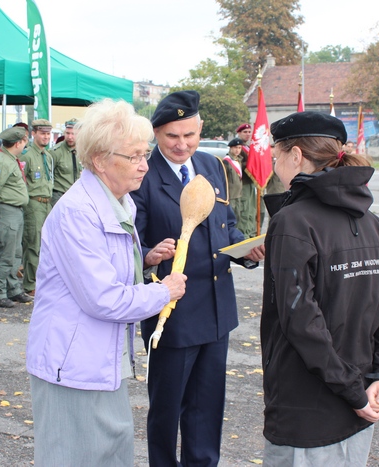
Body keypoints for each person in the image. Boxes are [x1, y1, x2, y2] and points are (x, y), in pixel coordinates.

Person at [26, 99, 187, 466]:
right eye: (133, 156)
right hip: (74, 367)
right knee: (74, 457)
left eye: (145, 154)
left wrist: (144, 260)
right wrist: (164, 291)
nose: (144, 165)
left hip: (101, 362)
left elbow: (105, 271)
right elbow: (103, 298)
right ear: (99, 160)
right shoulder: (77, 212)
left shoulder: (119, 202)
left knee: (109, 453)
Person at [261, 111, 379, 466]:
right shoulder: (374, 223)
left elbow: (301, 323)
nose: (273, 165)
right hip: (359, 400)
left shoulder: (292, 222)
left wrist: (367, 387)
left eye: (276, 156)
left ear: (295, 156)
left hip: (308, 410)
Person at [130, 90, 264, 467]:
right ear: (156, 134)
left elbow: (228, 227)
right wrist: (147, 255)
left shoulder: (210, 165)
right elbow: (128, 244)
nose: (182, 144)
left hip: (217, 310)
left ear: (200, 129)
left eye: (190, 135)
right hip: (172, 314)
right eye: (172, 136)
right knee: (168, 409)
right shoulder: (143, 175)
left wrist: (248, 250)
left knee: (207, 407)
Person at [0, 126, 31, 308]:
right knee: (5, 253)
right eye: (24, 141)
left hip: (15, 211)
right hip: (5, 211)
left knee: (15, 252)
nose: (25, 144)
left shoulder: (11, 159)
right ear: (18, 143)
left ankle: (12, 288)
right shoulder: (3, 161)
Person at [21, 119, 54, 296]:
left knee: (46, 245)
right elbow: (21, 181)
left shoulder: (47, 156)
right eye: (42, 133)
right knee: (33, 244)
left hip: (47, 202)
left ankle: (41, 281)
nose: (46, 137)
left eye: (48, 133)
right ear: (34, 134)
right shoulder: (26, 156)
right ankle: (30, 284)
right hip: (33, 203)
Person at [50, 118, 80, 205]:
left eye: (73, 134)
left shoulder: (83, 151)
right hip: (60, 196)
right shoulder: (55, 152)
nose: (70, 137)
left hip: (78, 196)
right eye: (67, 133)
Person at [235, 123, 257, 237]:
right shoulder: (238, 147)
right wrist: (252, 164)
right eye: (245, 132)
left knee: (251, 210)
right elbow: (238, 164)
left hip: (250, 182)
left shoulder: (248, 146)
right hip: (243, 183)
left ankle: (249, 233)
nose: (248, 134)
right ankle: (243, 235)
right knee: (244, 211)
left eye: (249, 132)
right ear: (239, 133)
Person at [223, 138, 244, 226]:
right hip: (230, 195)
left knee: (238, 217)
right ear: (231, 148)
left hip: (238, 194)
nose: (237, 150)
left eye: (239, 148)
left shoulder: (239, 160)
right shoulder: (227, 161)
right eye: (235, 148)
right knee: (230, 218)